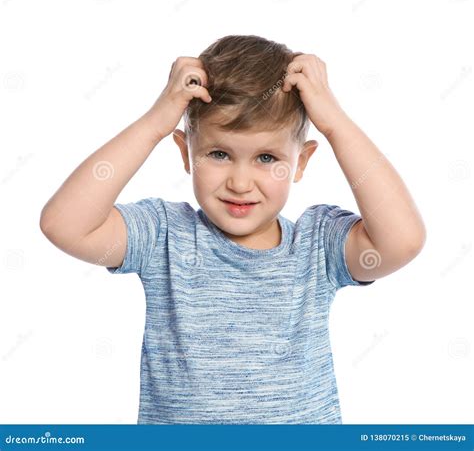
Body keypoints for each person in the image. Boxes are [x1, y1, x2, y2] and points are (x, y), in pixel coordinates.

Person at [39, 34, 426, 424]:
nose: (240, 182)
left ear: (301, 162)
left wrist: (336, 124)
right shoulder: (165, 235)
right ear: (186, 153)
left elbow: (402, 240)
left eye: (266, 157)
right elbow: (65, 224)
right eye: (219, 154)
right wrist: (155, 123)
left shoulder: (317, 246)